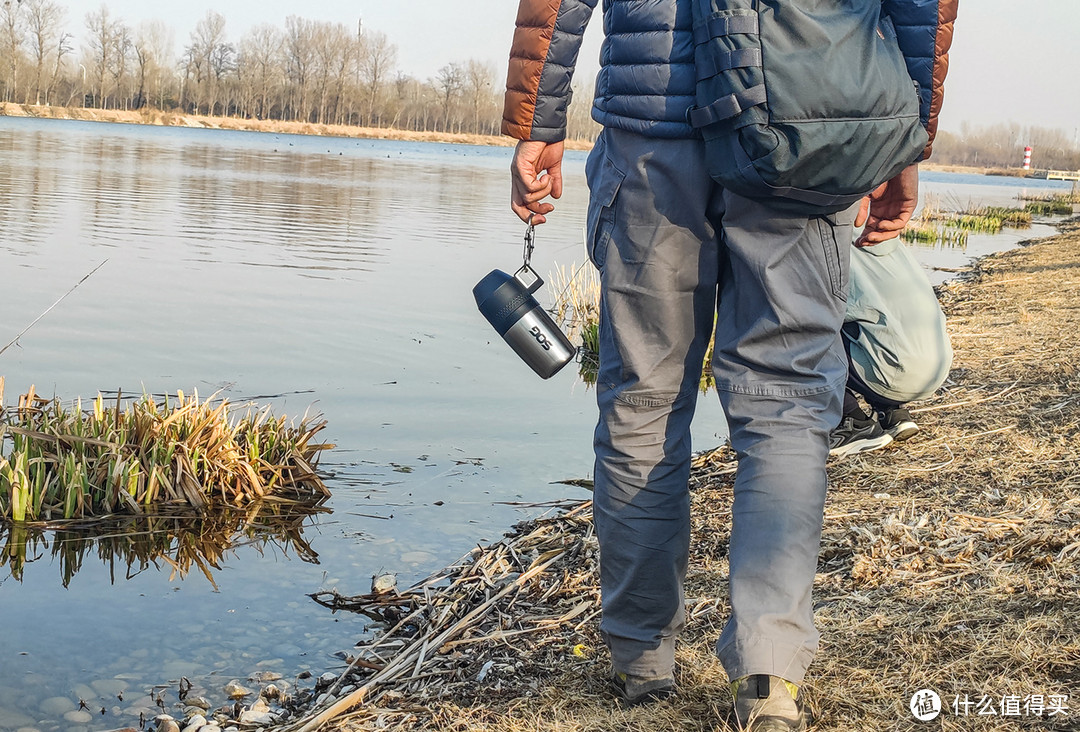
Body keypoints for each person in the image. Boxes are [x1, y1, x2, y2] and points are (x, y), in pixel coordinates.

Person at [503, 1, 956, 729]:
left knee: (644, 402)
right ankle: (768, 675)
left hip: (656, 137)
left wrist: (537, 122)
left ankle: (642, 663)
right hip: (808, 122)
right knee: (787, 405)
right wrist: (907, 139)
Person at [829, 238, 955, 458]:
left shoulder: (824, 240)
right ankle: (892, 412)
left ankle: (852, 420)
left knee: (796, 334)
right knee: (880, 318)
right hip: (937, 368)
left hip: (892, 373)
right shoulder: (883, 231)